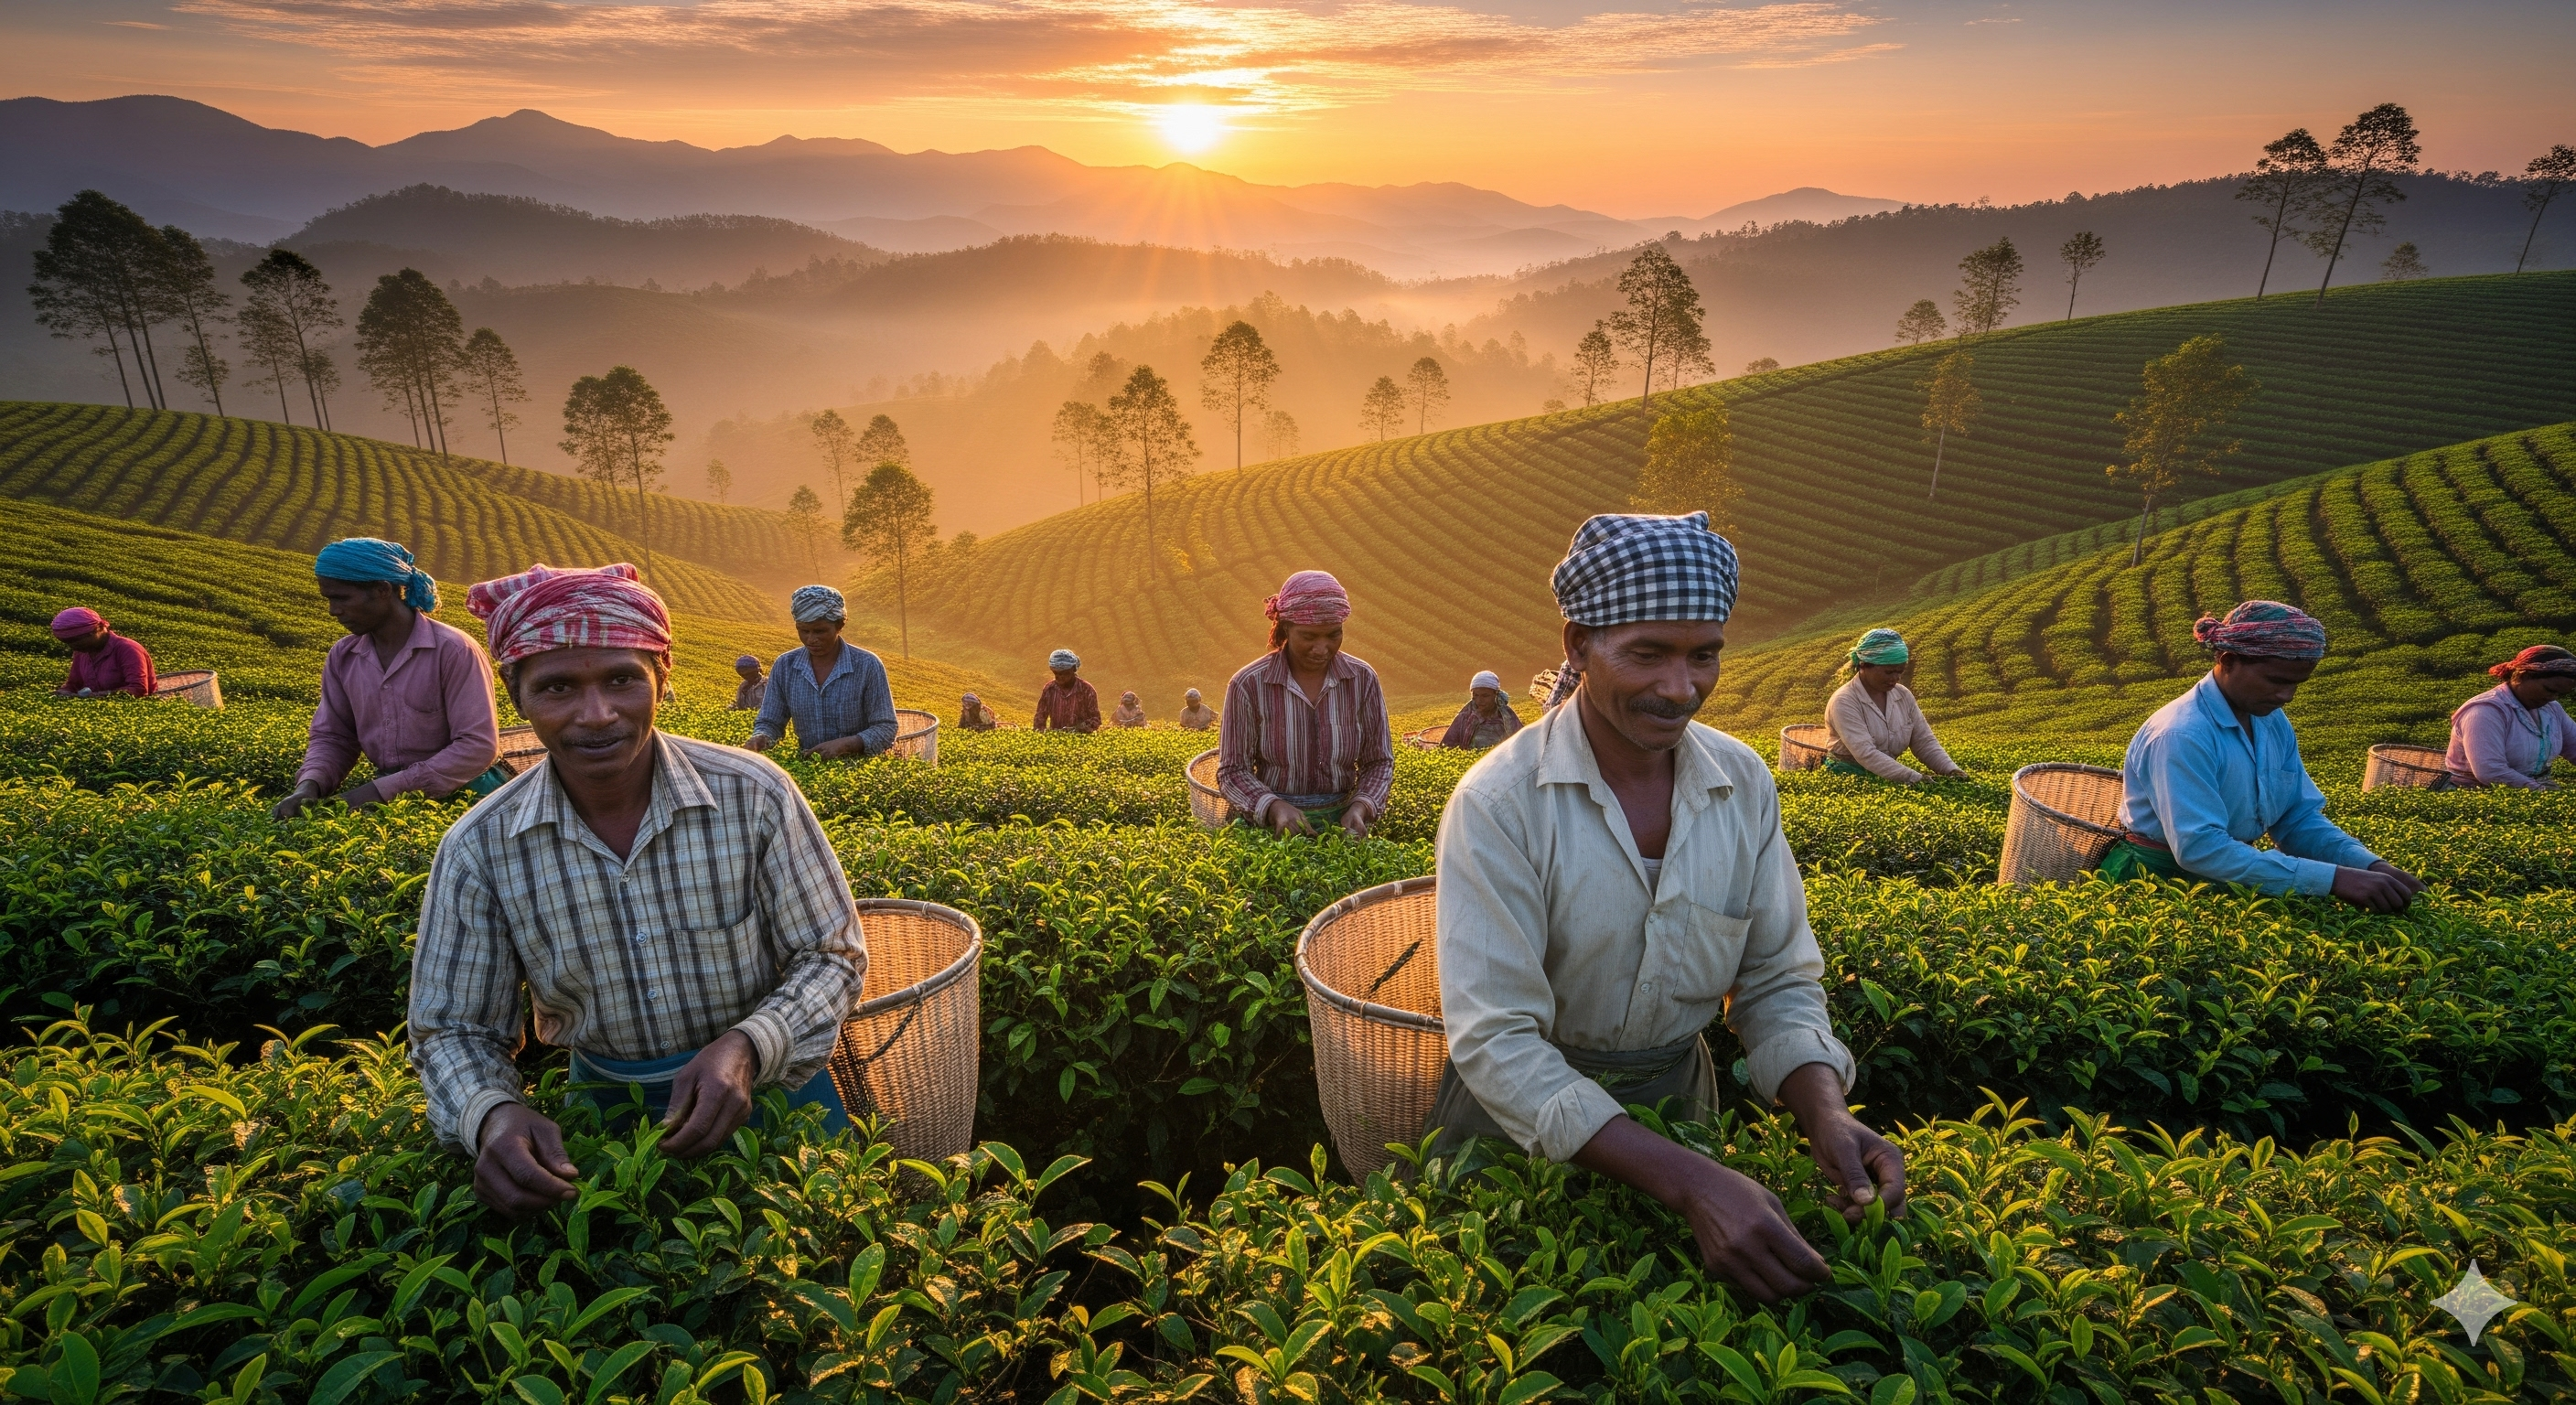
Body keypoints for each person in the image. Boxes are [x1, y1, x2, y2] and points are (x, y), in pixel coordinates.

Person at [1435, 511, 1903, 1304]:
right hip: (1513, 1135)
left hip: (1676, 1113)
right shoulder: (1501, 803)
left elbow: (1776, 978)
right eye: (1647, 654)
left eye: (1703, 655)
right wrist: (1691, 1183)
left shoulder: (1741, 784)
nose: (1681, 688)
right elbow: (1496, 1039)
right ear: (1578, 645)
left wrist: (1825, 1111)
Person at [411, 563, 864, 1217]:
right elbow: (453, 1026)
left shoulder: (755, 795)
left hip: (774, 1097)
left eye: (622, 679)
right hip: (605, 1122)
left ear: (662, 676)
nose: (596, 714)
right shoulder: (480, 846)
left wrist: (749, 1045)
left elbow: (832, 954)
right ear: (516, 694)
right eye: (557, 687)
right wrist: (490, 1112)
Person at [2099, 601, 2425, 912]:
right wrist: (2333, 879)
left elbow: (2294, 818)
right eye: (2276, 681)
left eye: (2297, 684)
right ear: (2228, 660)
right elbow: (2200, 847)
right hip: (2153, 881)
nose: (2287, 696)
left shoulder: (2270, 720)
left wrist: (2369, 866)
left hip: (2231, 876)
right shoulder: (2182, 734)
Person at [273, 538, 503, 820]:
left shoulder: (454, 650)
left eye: (342, 598)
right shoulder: (343, 657)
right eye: (329, 599)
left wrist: (377, 792)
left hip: (470, 795)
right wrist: (309, 786)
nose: (333, 610)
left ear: (382, 590)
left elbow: (477, 748)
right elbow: (334, 736)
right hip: (389, 799)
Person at [1216, 570, 1395, 838]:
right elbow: (1232, 771)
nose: (1322, 648)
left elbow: (1379, 761)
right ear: (1286, 628)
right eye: (1309, 637)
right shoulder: (1249, 684)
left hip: (1343, 824)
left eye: (1333, 635)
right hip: (1270, 827)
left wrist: (1361, 807)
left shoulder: (1362, 679)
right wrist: (1274, 807)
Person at [749, 585, 896, 760]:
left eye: (820, 631)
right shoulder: (785, 666)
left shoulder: (867, 665)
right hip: (808, 764)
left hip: (859, 768)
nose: (811, 639)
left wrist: (846, 745)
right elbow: (770, 722)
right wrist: (760, 739)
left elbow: (886, 728)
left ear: (839, 625)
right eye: (804, 631)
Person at [1820, 628, 1966, 784]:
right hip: (1848, 779)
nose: (1895, 678)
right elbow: (1866, 753)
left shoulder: (1903, 695)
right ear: (1863, 665)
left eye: (1900, 671)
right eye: (1889, 672)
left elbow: (1924, 741)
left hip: (1890, 776)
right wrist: (1915, 779)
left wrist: (1951, 770)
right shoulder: (1844, 701)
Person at [2445, 644, 2576, 788]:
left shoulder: (2551, 709)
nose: (2552, 698)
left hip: (2535, 788)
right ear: (2523, 676)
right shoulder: (2484, 712)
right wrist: (2540, 791)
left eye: (2559, 694)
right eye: (2549, 690)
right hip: (2479, 793)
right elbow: (2490, 771)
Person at [49, 607, 156, 698]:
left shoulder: (128, 649)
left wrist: (95, 696)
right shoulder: (81, 652)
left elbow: (138, 689)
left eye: (77, 640)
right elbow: (73, 684)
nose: (73, 646)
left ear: (99, 628)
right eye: (67, 642)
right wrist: (64, 692)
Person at [1438, 670, 1523, 749]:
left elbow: (1522, 743)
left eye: (1485, 696)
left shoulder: (1508, 717)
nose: (1479, 701)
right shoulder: (1463, 718)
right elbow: (1446, 747)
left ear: (1495, 695)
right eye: (1475, 695)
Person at [1034, 649, 1100, 733]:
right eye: (1056, 673)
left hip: (1081, 738)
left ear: (1073, 669)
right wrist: (1041, 733)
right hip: (1056, 738)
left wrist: (1078, 729)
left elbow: (1096, 720)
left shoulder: (1087, 690)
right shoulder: (1049, 690)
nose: (1059, 677)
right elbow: (1040, 718)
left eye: (1064, 673)